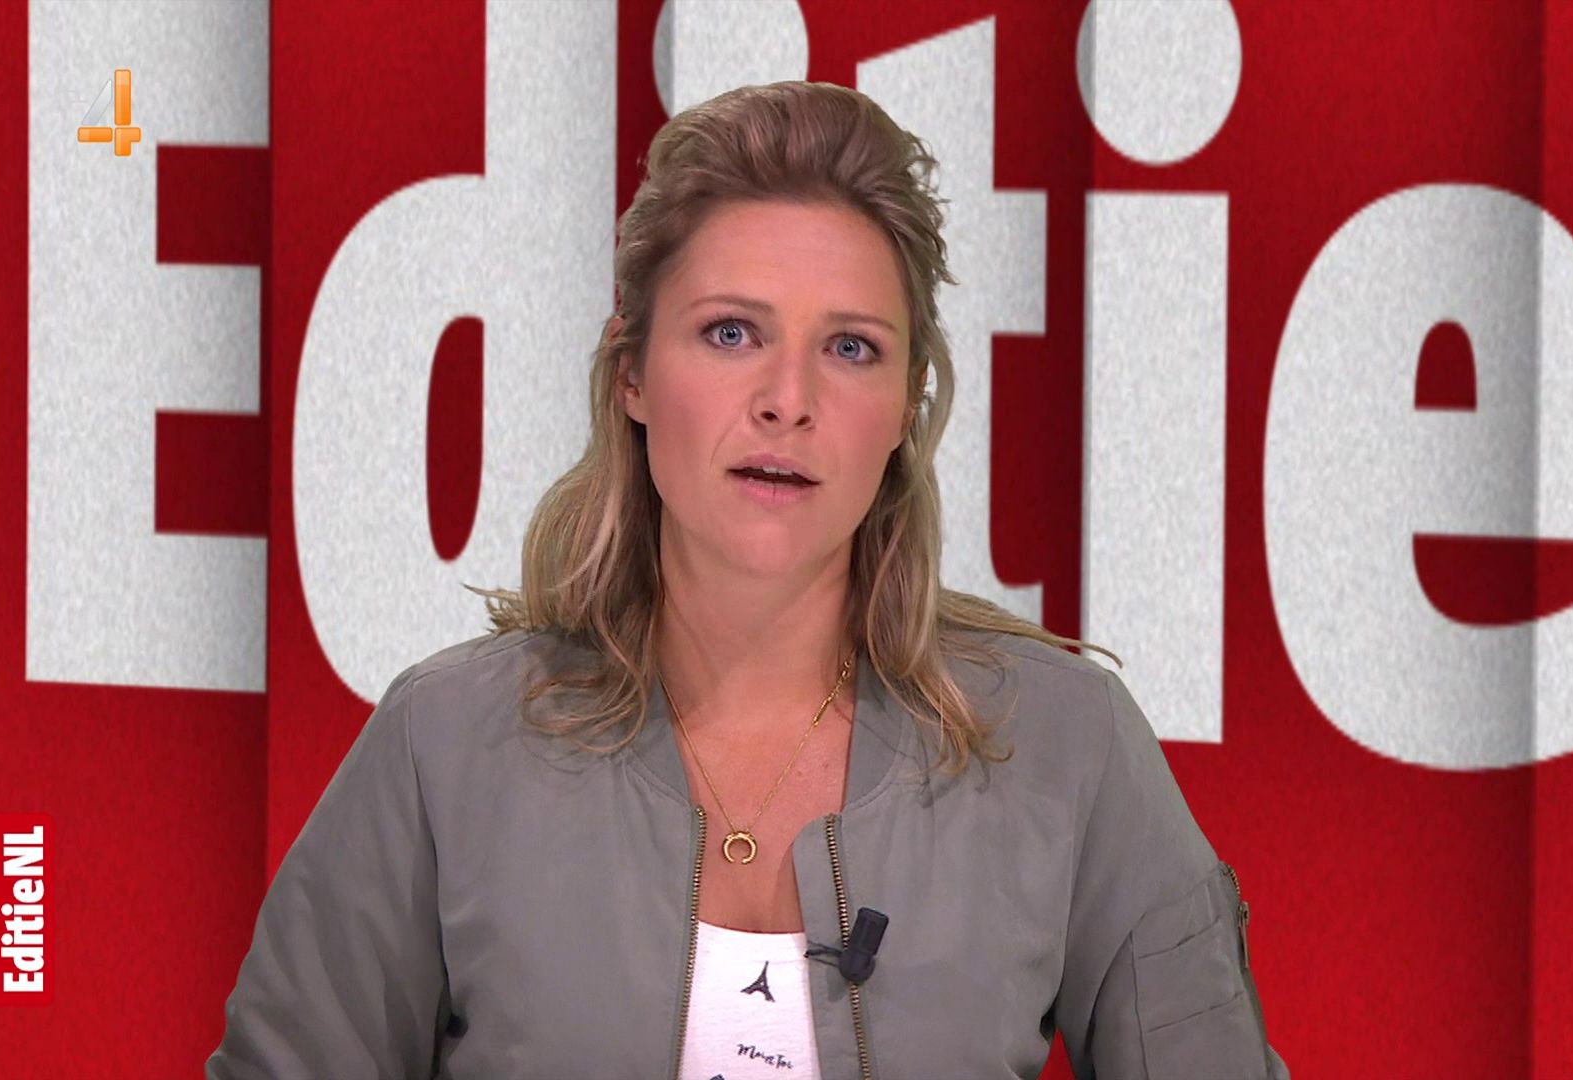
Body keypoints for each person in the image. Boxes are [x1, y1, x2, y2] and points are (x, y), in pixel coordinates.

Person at [208, 80, 1287, 1080]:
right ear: (631, 373)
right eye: (732, 333)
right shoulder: (444, 748)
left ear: (907, 408)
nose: (788, 399)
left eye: (851, 348)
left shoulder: (1066, 748)